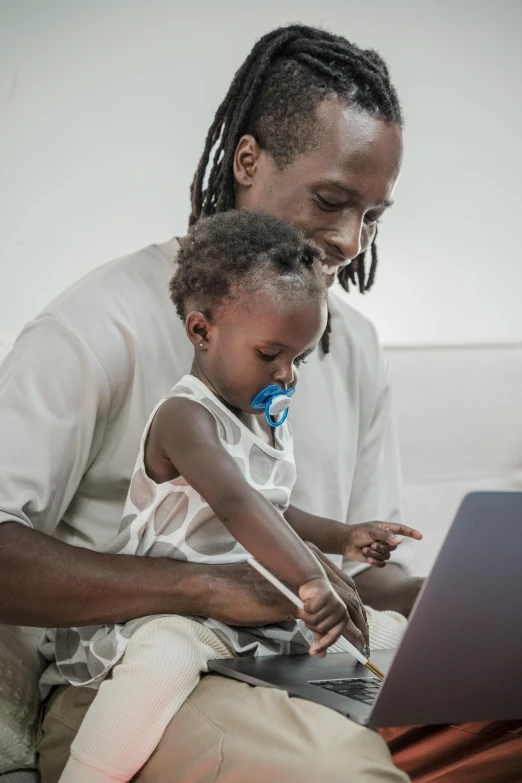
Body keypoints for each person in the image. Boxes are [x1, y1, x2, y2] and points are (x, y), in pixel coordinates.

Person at [1, 22, 519, 783]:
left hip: (291, 663)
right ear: (248, 161)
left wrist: (459, 605)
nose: (349, 238)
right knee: (345, 774)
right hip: (138, 681)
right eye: (333, 199)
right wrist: (207, 587)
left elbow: (356, 573)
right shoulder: (98, 323)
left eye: (372, 215)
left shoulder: (355, 344)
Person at [56, 210, 421, 783]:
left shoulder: (262, 420)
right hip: (173, 612)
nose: (288, 377)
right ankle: (88, 772)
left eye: (299, 360)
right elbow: (238, 506)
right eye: (269, 355)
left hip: (250, 615)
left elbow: (277, 510)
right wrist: (311, 578)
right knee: (165, 658)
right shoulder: (185, 418)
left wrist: (341, 536)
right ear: (202, 331)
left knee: (390, 633)